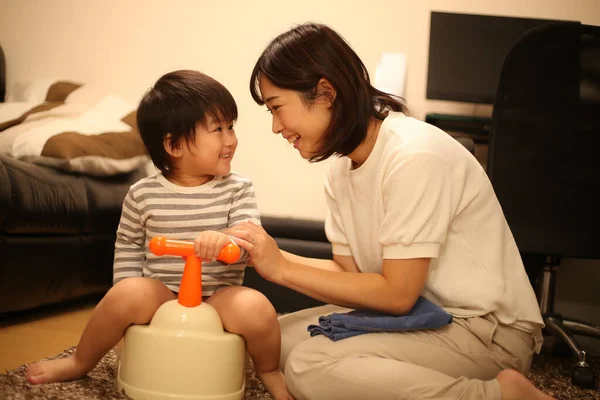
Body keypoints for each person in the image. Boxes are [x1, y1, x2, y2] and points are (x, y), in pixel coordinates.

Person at [228, 23, 555, 400]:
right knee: (278, 340)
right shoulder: (341, 168)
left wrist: (282, 268)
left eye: (277, 108)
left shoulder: (413, 155)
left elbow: (397, 294)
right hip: (418, 317)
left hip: (483, 331)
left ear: (325, 93)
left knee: (310, 365)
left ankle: (503, 394)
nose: (275, 127)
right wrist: (270, 256)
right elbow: (349, 276)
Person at [25, 70, 293, 400]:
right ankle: (81, 361)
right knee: (124, 294)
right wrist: (125, 293)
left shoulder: (238, 189)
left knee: (258, 309)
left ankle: (268, 370)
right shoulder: (142, 194)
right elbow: (128, 244)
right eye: (217, 130)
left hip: (219, 297)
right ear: (174, 144)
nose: (230, 139)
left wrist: (227, 240)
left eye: (231, 127)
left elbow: (249, 238)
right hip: (162, 294)